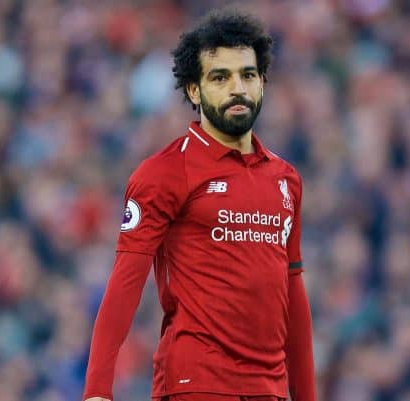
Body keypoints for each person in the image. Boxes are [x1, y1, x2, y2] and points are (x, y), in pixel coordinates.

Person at [83, 9, 316, 401]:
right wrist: (97, 391)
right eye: (220, 77)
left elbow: (292, 290)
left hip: (269, 388)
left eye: (247, 75)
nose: (237, 88)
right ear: (194, 90)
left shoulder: (285, 179)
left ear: (262, 82)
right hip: (196, 384)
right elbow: (125, 283)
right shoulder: (164, 173)